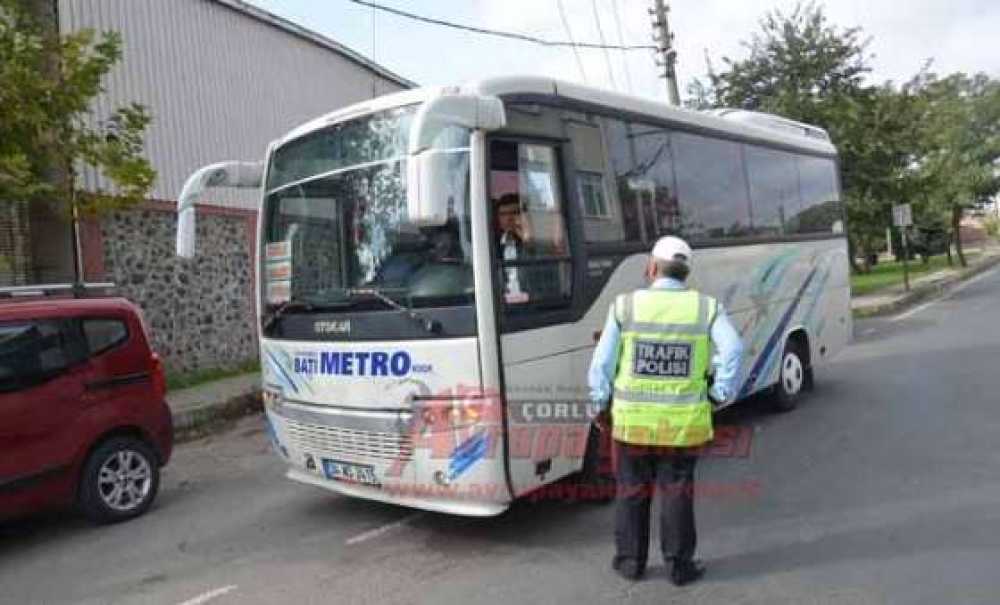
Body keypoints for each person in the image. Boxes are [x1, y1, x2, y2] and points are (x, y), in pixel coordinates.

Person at [588, 235, 744, 586]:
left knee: (631, 492)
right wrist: (719, 394)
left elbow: (602, 364)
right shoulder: (706, 308)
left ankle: (630, 563)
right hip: (683, 425)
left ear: (652, 268)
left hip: (632, 424)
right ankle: (679, 567)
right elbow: (733, 350)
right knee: (676, 493)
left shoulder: (624, 306)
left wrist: (599, 405)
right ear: (685, 272)